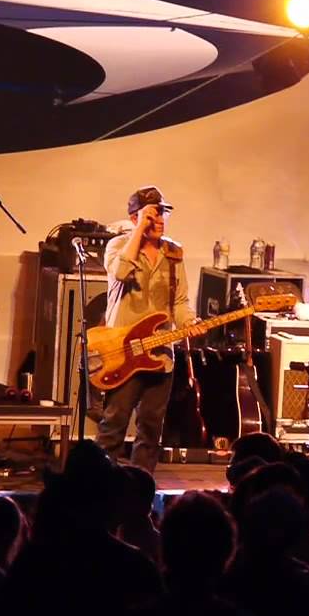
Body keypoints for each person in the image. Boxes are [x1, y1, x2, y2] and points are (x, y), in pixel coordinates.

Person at [98, 185, 196, 472]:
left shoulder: (173, 252)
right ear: (134, 218)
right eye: (153, 215)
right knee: (114, 423)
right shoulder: (118, 247)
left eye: (163, 213)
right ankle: (99, 484)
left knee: (151, 428)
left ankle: (140, 485)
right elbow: (121, 272)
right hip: (124, 352)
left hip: (161, 352)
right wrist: (140, 230)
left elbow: (179, 301)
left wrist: (188, 321)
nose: (160, 220)